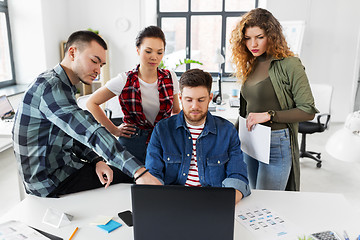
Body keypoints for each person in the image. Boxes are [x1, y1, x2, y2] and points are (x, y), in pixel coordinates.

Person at [12, 30, 161, 198]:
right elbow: (90, 131)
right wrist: (139, 172)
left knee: (117, 172)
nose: (97, 70)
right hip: (49, 181)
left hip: (63, 165)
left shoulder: (61, 84)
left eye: (101, 65)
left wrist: (96, 160)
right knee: (128, 175)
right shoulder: (51, 87)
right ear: (73, 53)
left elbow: (71, 133)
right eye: (94, 61)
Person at [229, 8, 318, 191]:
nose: (253, 44)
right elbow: (246, 110)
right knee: (253, 194)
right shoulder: (251, 63)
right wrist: (231, 135)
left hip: (275, 141)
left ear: (271, 35)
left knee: (267, 202)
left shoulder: (290, 64)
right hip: (251, 138)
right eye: (247, 38)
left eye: (259, 37)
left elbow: (308, 110)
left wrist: (269, 115)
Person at [145, 69, 251, 204]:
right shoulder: (162, 130)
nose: (195, 106)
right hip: (173, 201)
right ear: (180, 98)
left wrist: (224, 204)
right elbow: (153, 173)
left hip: (214, 201)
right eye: (189, 100)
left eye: (201, 100)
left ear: (210, 98)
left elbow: (237, 176)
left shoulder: (227, 131)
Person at [87, 26, 181, 164]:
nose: (154, 57)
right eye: (148, 51)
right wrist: (114, 130)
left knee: (159, 183)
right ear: (138, 50)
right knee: (128, 183)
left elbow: (176, 111)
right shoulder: (124, 80)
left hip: (163, 142)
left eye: (160, 52)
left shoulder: (170, 77)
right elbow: (91, 103)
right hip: (132, 143)